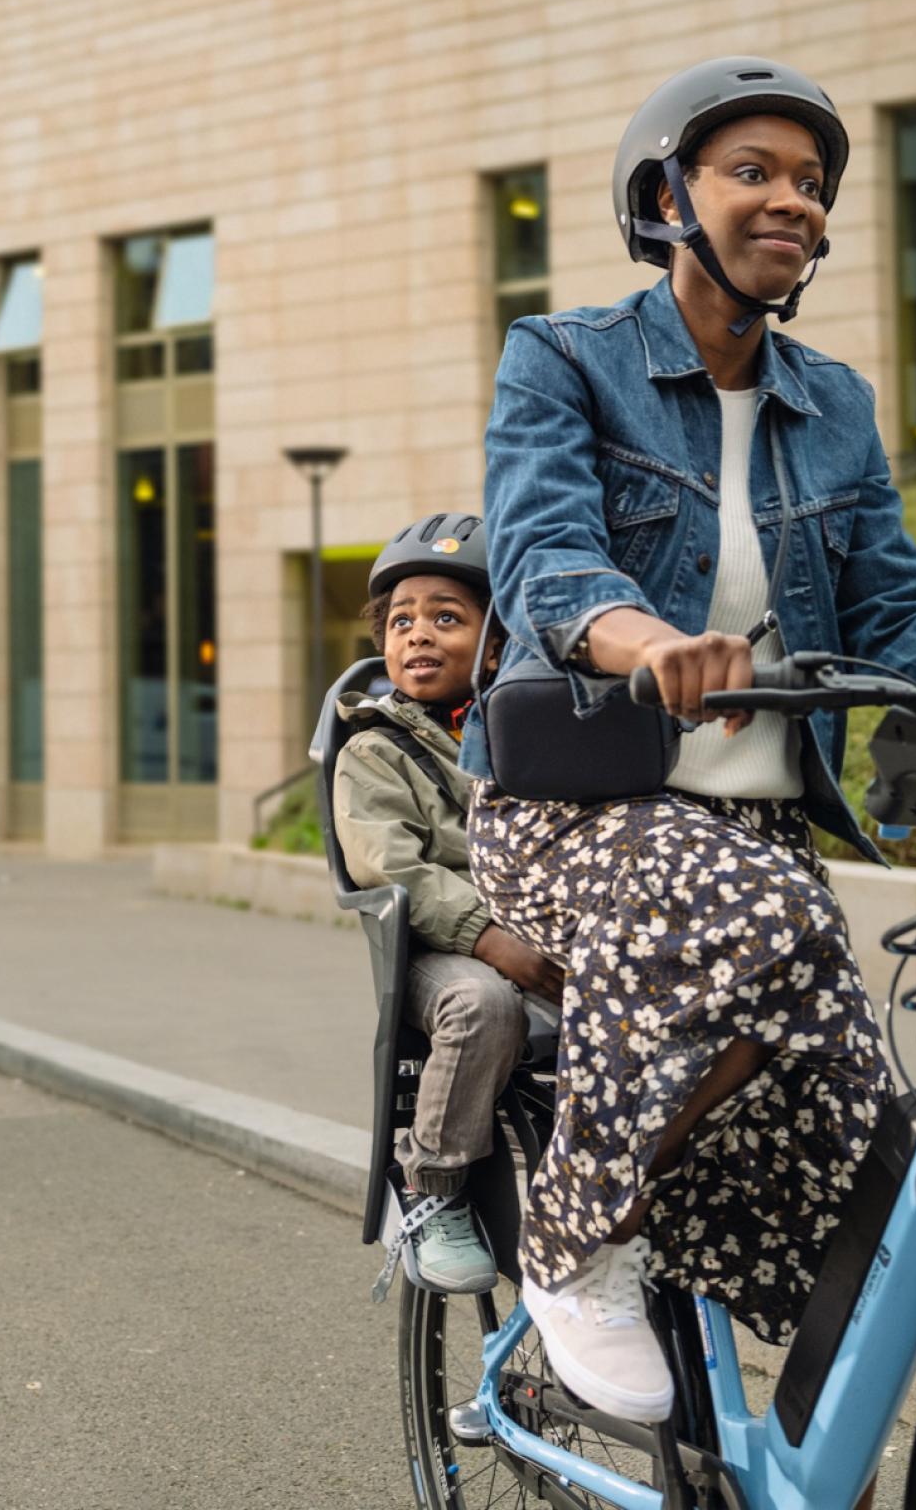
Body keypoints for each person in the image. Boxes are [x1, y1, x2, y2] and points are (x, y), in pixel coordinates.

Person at [463, 57, 916, 1437]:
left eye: (812, 182)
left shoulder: (833, 403)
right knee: (762, 917)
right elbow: (545, 554)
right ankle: (577, 1240)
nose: (794, 199)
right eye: (754, 172)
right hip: (578, 807)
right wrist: (640, 638)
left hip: (755, 835)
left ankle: (790, 1459)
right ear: (669, 198)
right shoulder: (565, 357)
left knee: (862, 1161)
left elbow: (897, 611)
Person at [333, 512, 564, 1295]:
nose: (419, 634)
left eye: (446, 618)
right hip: (438, 951)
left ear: (496, 644)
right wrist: (488, 935)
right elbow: (389, 864)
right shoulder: (375, 749)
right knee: (483, 1006)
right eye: (402, 622)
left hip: (541, 933)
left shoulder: (531, 735)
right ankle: (433, 1188)